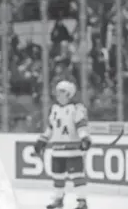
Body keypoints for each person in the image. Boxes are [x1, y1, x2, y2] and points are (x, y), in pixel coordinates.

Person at [34, 80, 91, 209]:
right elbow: (51, 128)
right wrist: (42, 140)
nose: (58, 94)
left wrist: (84, 138)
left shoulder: (77, 108)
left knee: (77, 176)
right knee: (57, 176)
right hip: (57, 150)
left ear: (69, 94)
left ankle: (82, 201)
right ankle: (58, 199)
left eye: (62, 92)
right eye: (58, 91)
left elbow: (81, 125)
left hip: (73, 150)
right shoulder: (54, 109)